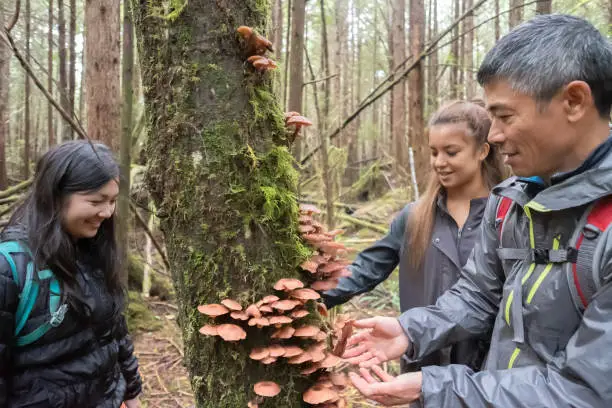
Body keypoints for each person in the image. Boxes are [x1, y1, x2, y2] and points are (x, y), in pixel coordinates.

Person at [343, 14, 612, 407]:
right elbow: (478, 295)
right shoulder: (510, 204)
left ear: (573, 101)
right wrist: (409, 330)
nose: (494, 135)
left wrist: (437, 388)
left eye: (504, 116)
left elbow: (585, 392)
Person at [323, 100, 507, 372]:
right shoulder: (414, 217)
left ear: (482, 151)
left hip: (484, 372)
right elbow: (367, 269)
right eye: (434, 153)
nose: (439, 163)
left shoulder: (506, 217)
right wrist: (311, 296)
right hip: (421, 367)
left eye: (451, 152)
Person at [0, 141, 142, 407]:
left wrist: (131, 392)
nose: (107, 212)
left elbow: (116, 331)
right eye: (96, 201)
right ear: (55, 195)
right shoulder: (10, 267)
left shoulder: (94, 249)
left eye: (112, 201)